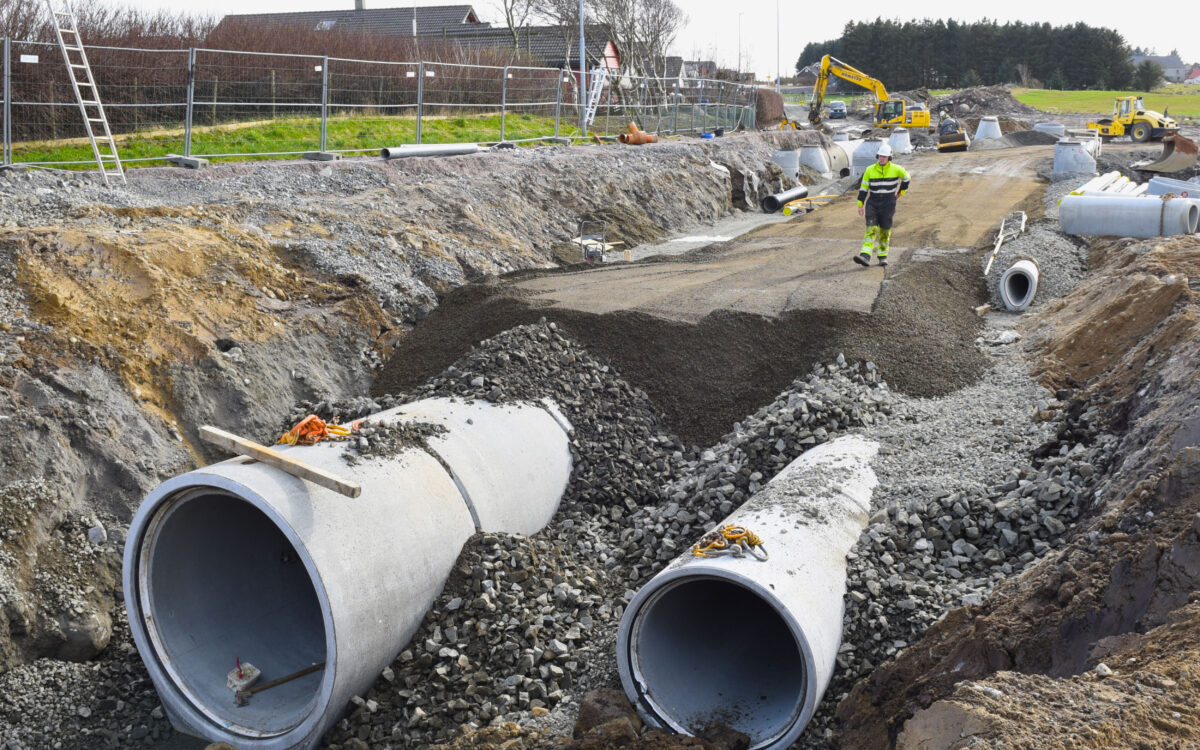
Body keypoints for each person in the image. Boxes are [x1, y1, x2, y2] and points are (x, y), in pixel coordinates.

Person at [854, 143, 910, 267]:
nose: (882, 158)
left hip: (888, 204)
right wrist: (860, 204)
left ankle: (882, 256)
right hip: (872, 203)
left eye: (884, 156)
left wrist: (900, 193)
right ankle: (865, 256)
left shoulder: (897, 169)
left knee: (885, 231)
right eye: (880, 156)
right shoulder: (869, 170)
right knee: (871, 229)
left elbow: (907, 178)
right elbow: (863, 189)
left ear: (889, 157)